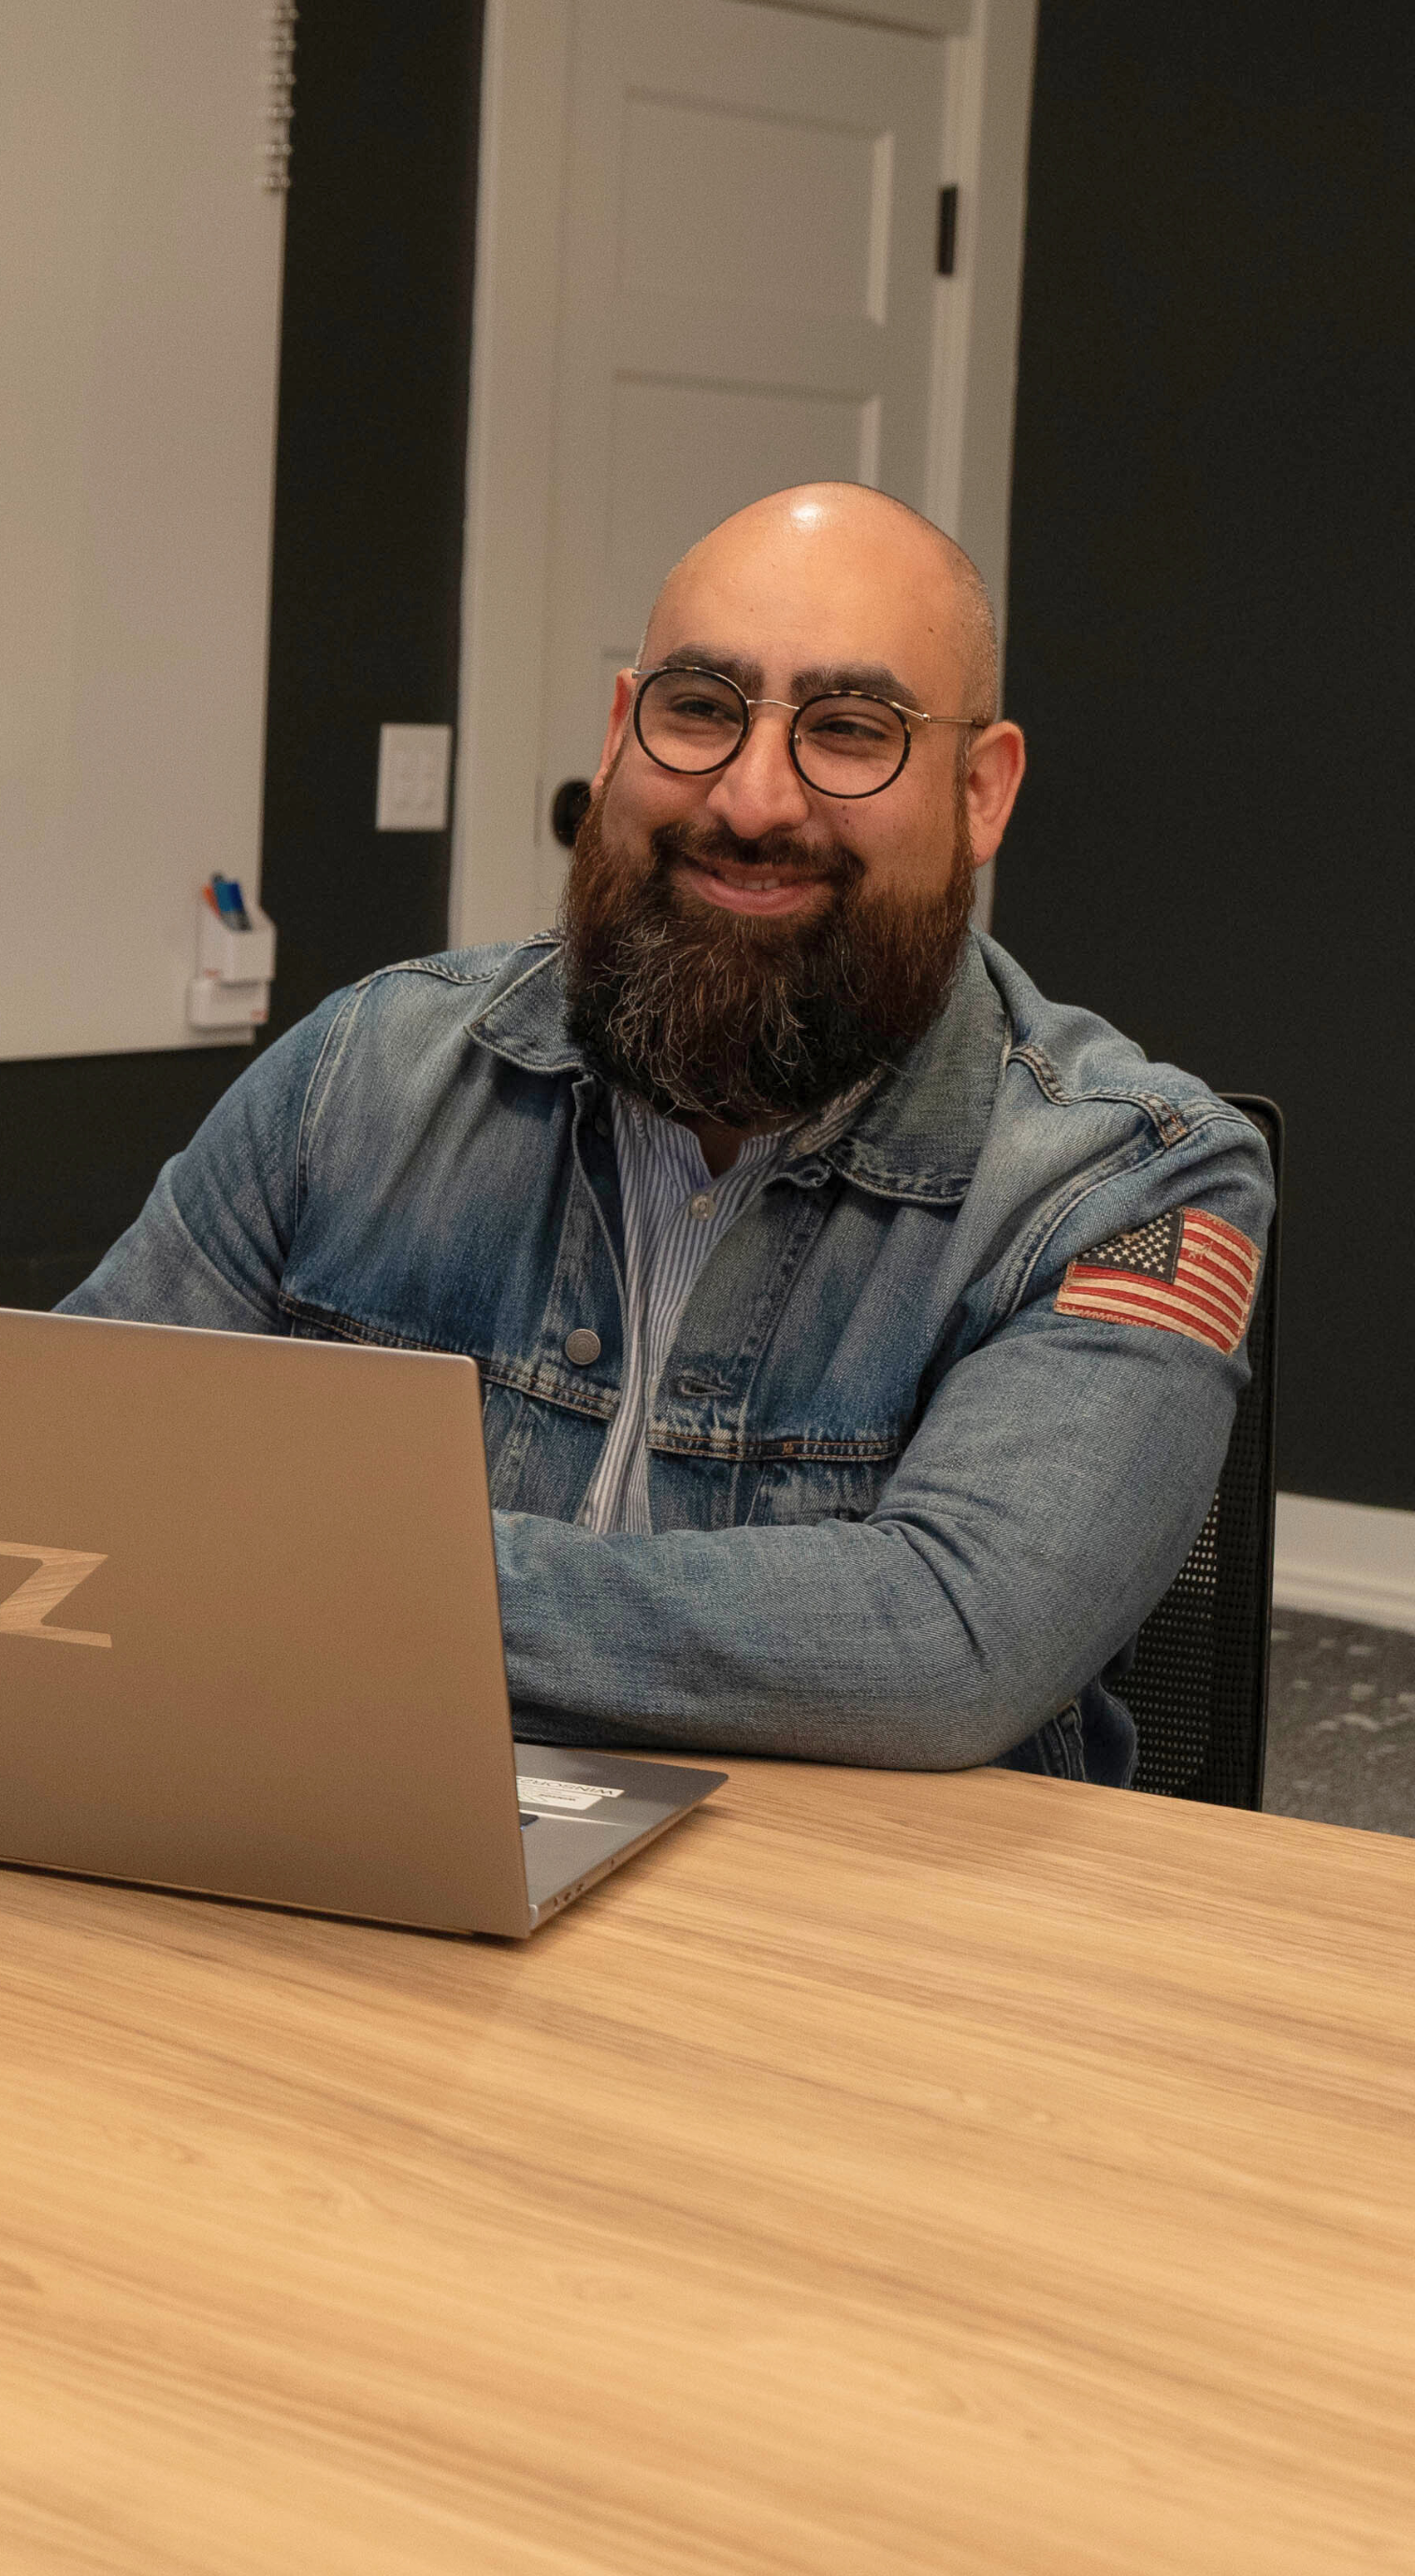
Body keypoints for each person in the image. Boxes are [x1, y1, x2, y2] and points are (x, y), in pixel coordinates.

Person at [63, 484, 1272, 1787]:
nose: (752, 799)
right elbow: (51, 1459)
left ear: (982, 793)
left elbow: (946, 1638)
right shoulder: (362, 1072)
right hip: (370, 1868)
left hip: (852, 1947)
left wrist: (305, 1579)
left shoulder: (1132, 1177)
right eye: (698, 709)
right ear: (619, 731)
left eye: (850, 729)